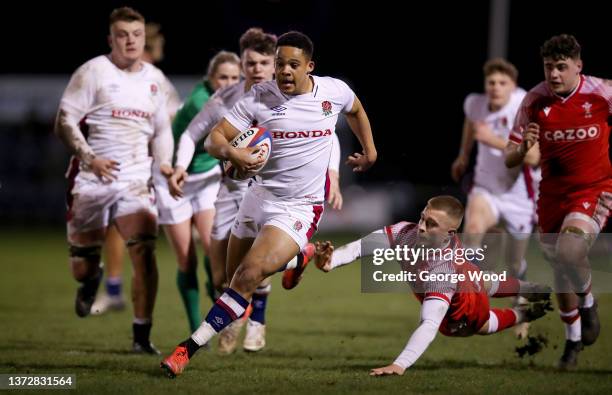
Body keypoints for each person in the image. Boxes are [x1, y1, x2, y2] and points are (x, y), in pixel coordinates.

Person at [160, 30, 377, 377]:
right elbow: (214, 140)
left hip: (298, 208)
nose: (284, 71)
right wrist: (234, 152)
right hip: (256, 198)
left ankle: (187, 349)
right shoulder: (259, 97)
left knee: (248, 275)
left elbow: (356, 109)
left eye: (293, 65)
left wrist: (371, 151)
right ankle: (299, 257)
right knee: (230, 282)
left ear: (310, 67)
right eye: (280, 64)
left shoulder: (333, 91)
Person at [314, 196, 552, 375]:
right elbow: (359, 248)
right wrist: (331, 262)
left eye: (431, 224)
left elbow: (429, 323)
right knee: (481, 279)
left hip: (464, 303)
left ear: (449, 233)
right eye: (422, 218)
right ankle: (531, 291)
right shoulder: (404, 232)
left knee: (479, 323)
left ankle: (524, 312)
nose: (421, 226)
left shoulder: (443, 271)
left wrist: (400, 364)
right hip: (465, 276)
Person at [55, 7, 173, 354]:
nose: (131, 40)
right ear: (111, 39)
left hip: (136, 179)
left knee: (145, 252)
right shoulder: (93, 72)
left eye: (136, 34)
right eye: (123, 34)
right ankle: (91, 279)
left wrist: (164, 164)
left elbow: (164, 128)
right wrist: (90, 158)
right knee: (81, 265)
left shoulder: (155, 79)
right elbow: (64, 121)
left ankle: (141, 336)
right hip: (92, 179)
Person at [505, 34, 608, 369]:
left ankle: (588, 304)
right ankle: (573, 343)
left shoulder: (602, 92)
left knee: (569, 251)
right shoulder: (534, 101)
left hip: (594, 190)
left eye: (561, 67)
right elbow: (509, 156)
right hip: (552, 197)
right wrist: (522, 148)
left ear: (579, 66)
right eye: (549, 67)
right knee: (562, 271)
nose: (554, 74)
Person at [91, 21, 182, 315]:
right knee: (117, 226)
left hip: (151, 166)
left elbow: (170, 123)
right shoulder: (114, 79)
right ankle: (116, 291)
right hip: (127, 164)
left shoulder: (156, 82)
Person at [451, 58, 540, 338]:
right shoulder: (475, 103)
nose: (495, 87)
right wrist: (464, 155)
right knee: (473, 230)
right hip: (486, 188)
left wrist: (493, 141)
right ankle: (468, 302)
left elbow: (535, 156)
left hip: (519, 197)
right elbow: (471, 123)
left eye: (502, 83)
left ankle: (522, 304)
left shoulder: (523, 106)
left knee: (514, 263)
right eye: (491, 82)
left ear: (513, 86)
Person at [156, 50, 241, 334]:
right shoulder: (201, 102)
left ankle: (215, 290)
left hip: (205, 178)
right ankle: (195, 324)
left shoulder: (232, 96)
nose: (228, 83)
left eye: (234, 77)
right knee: (186, 259)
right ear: (210, 78)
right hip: (173, 179)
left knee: (213, 244)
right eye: (222, 77)